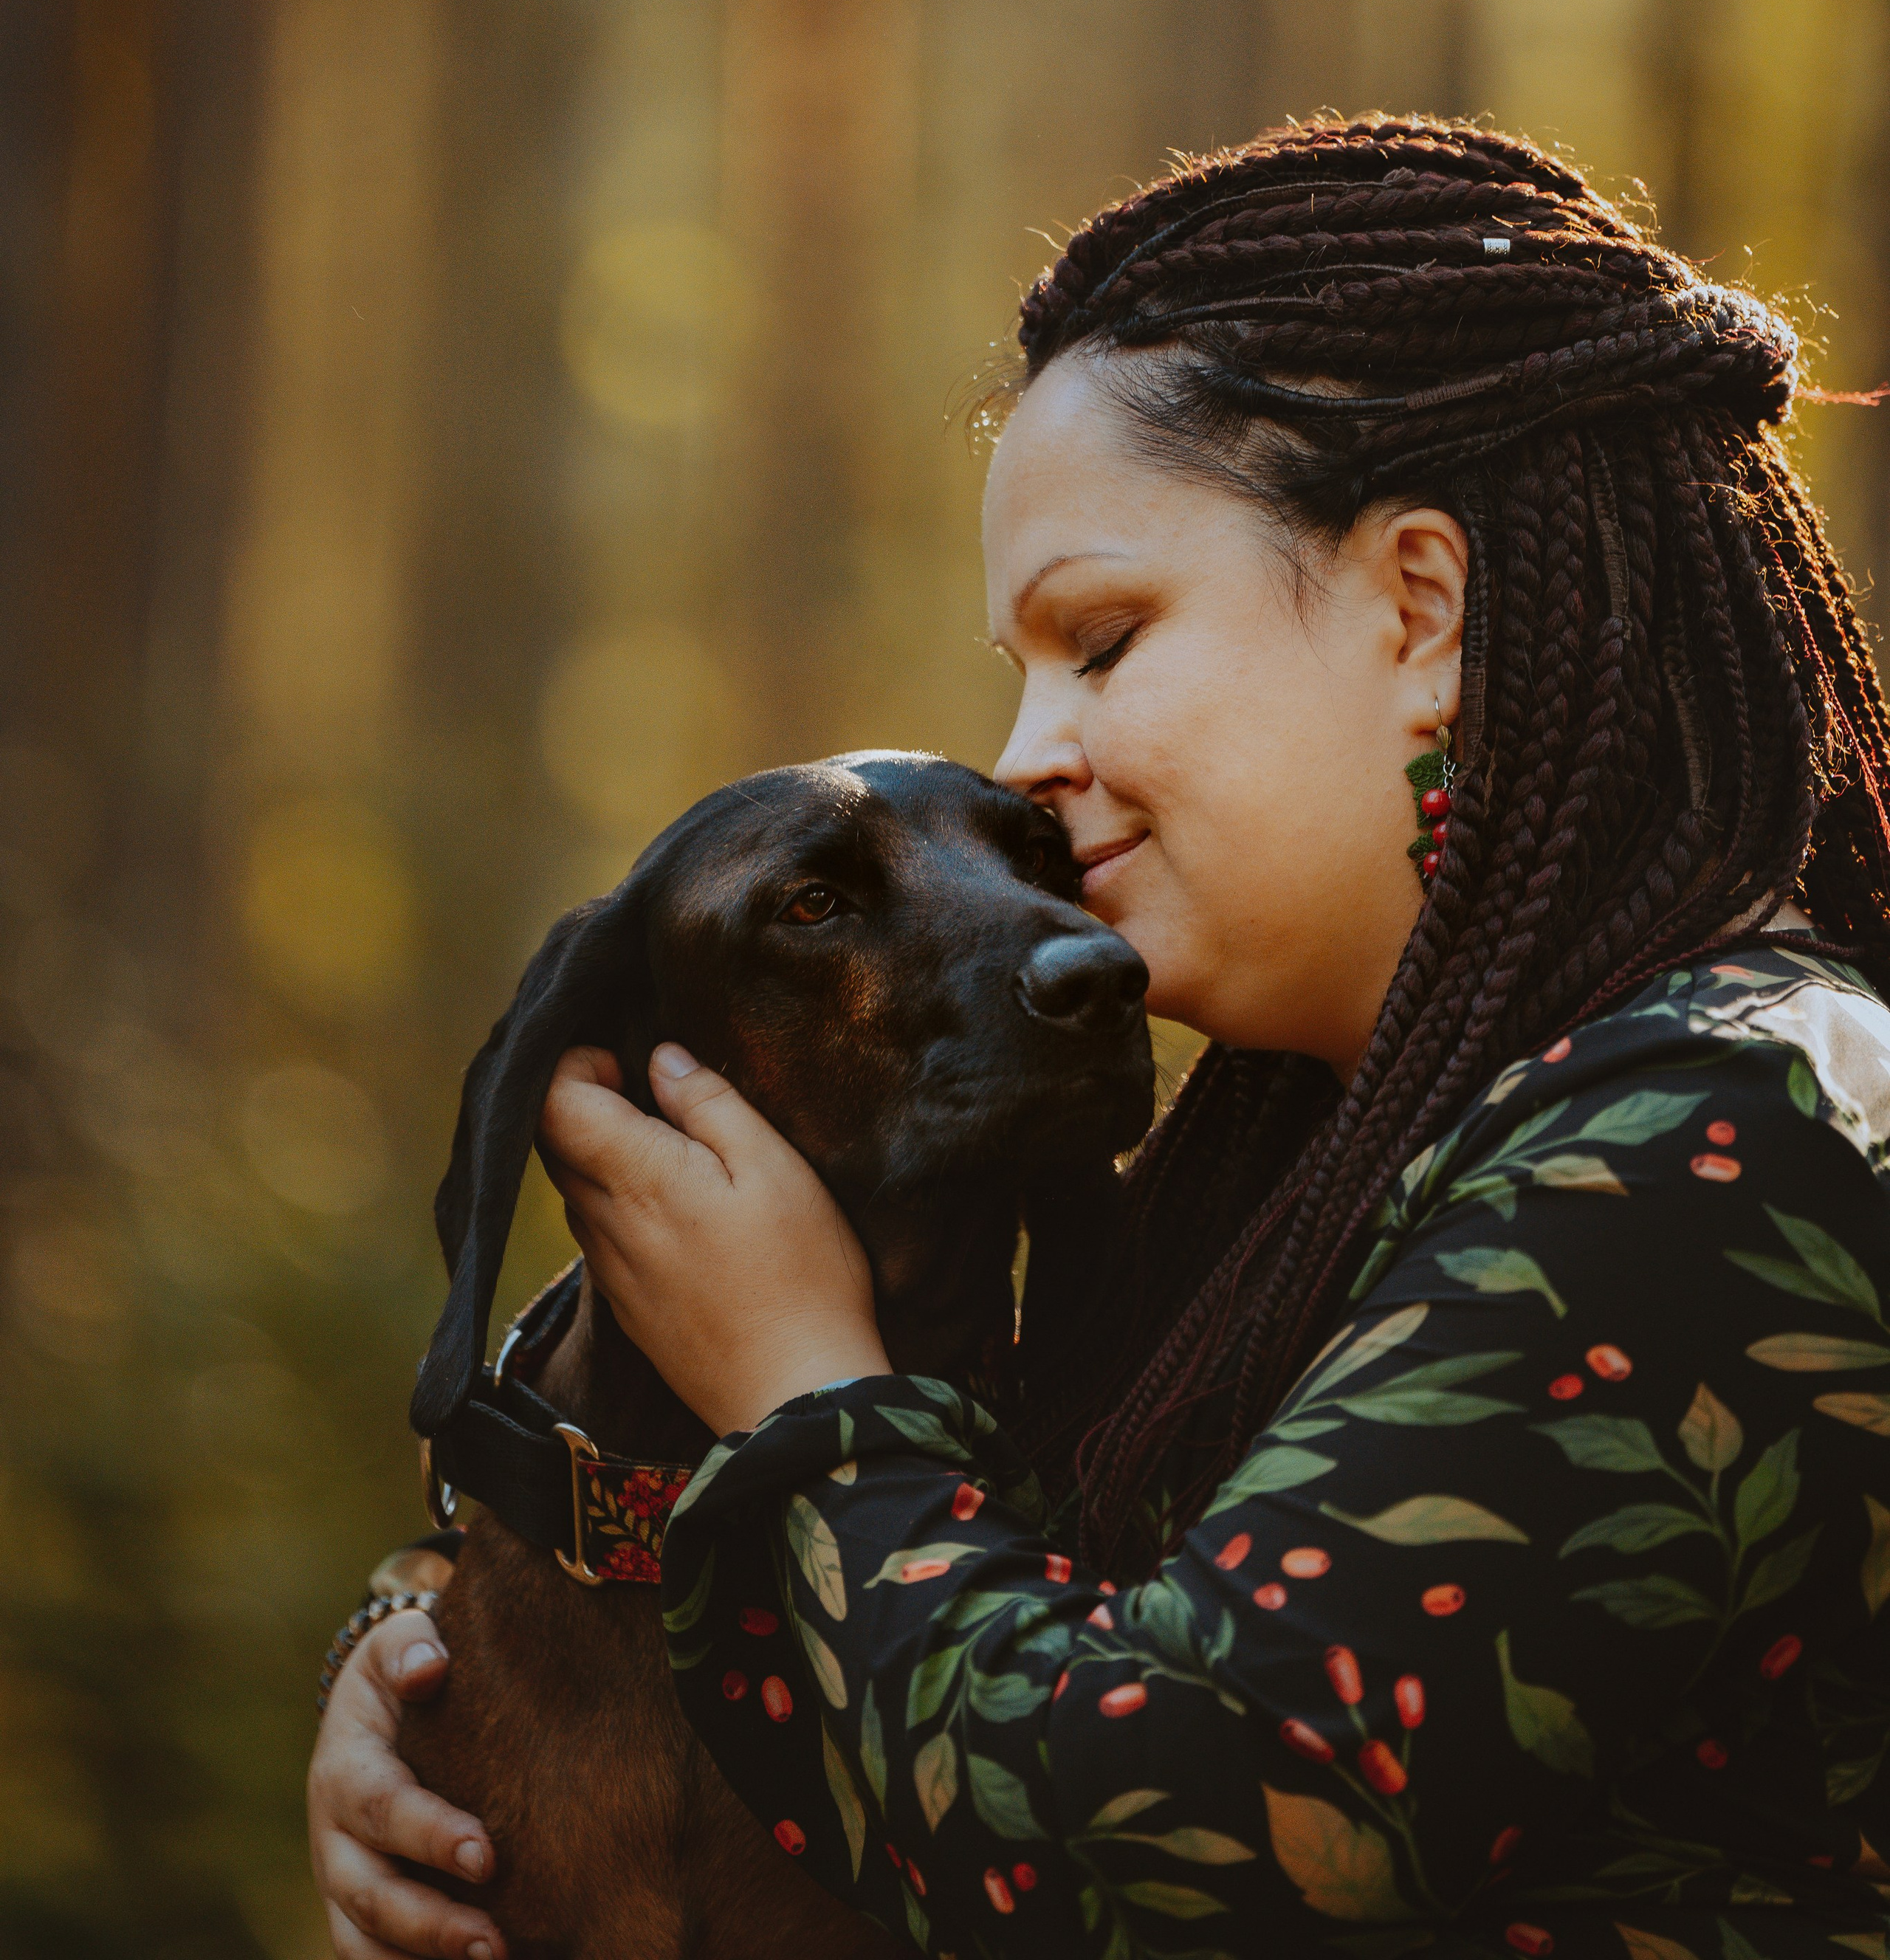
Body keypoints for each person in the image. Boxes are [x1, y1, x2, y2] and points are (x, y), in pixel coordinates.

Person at [309, 119, 1890, 1960]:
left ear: (1420, 610)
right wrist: (445, 1653)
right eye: (1017, 669)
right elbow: (1057, 1590)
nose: (1026, 754)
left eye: (1101, 637)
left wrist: (808, 1399)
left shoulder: (1739, 1112)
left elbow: (1168, 1841)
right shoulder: (1357, 1145)